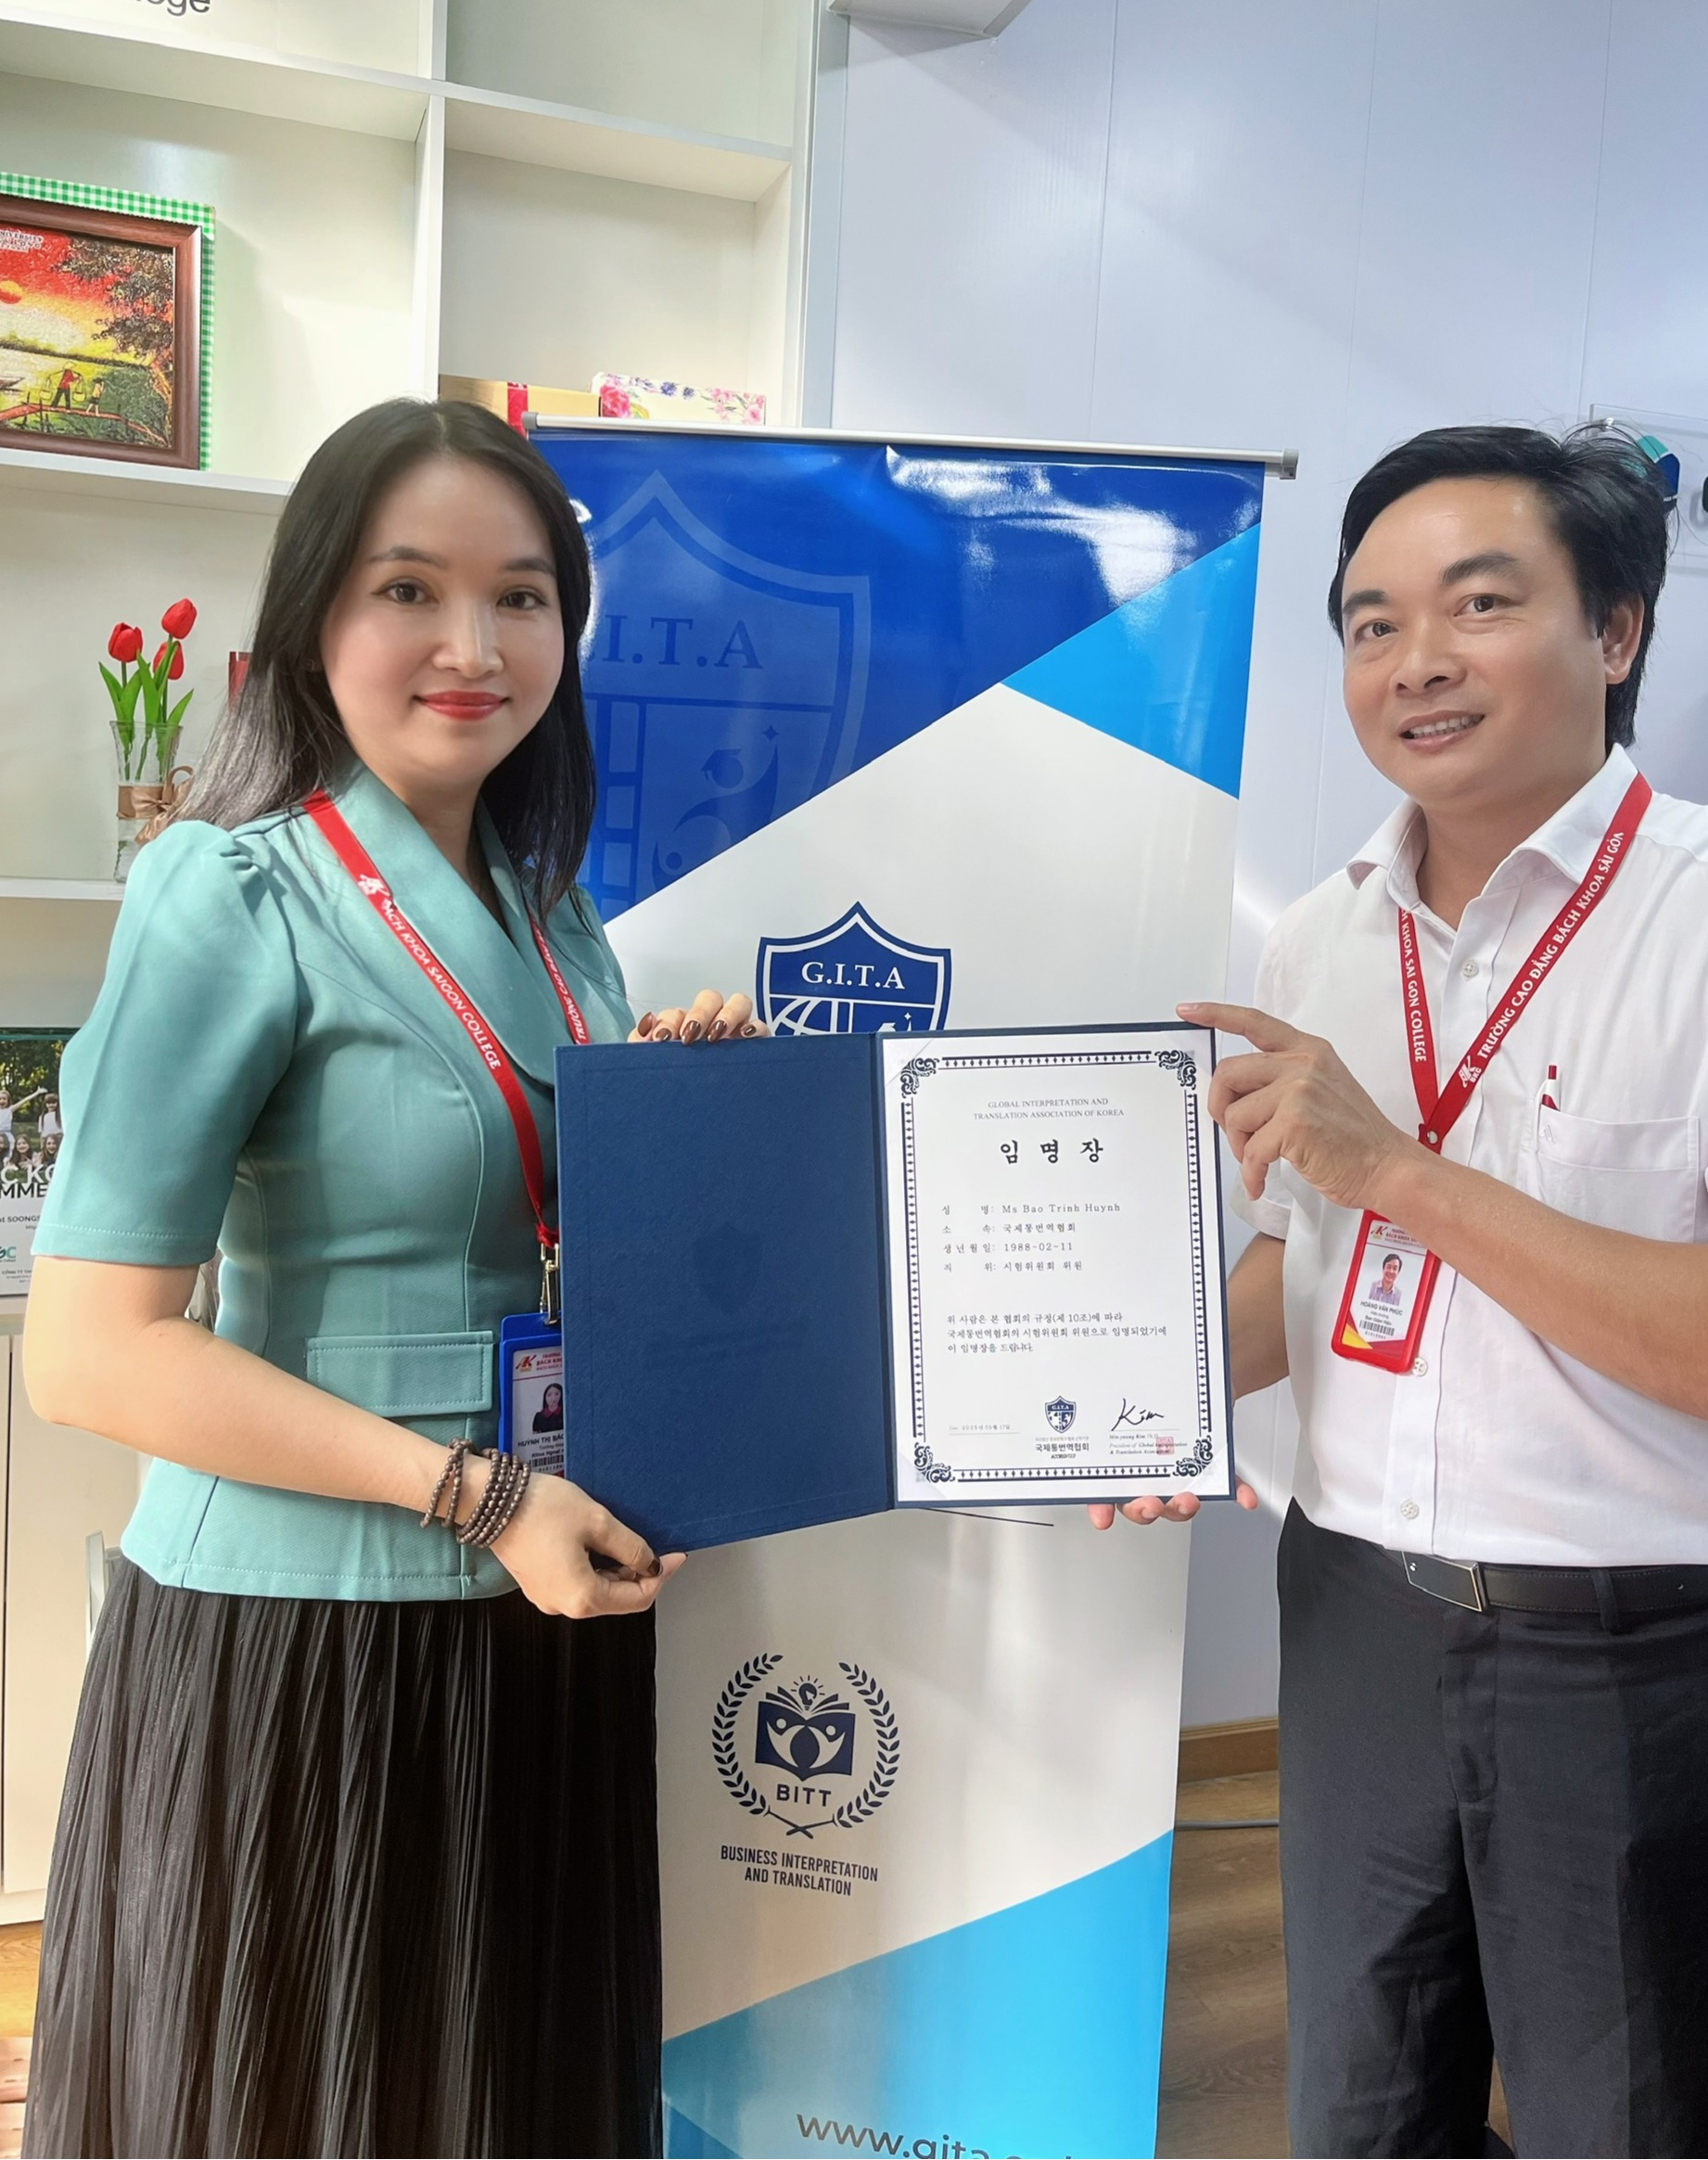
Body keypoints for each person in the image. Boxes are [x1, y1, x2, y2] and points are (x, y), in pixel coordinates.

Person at [21, 396, 763, 2160]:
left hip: (544, 1606)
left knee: (507, 2099)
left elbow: (525, 1226)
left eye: (522, 597)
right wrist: (475, 1491)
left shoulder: (548, 906)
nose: (472, 646)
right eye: (409, 588)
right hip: (312, 1639)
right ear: (311, 620)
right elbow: (90, 1353)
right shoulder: (227, 889)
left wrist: (682, 1112)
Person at [1094, 425, 1708, 2157]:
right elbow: (1296, 1261)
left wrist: (1405, 1173)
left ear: (1615, 630)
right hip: (1356, 1610)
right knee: (1362, 2104)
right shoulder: (1321, 934)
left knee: (1625, 2114)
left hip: (1630, 1642)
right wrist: (1137, 1398)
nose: (1413, 659)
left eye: (1478, 604)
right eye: (1369, 623)